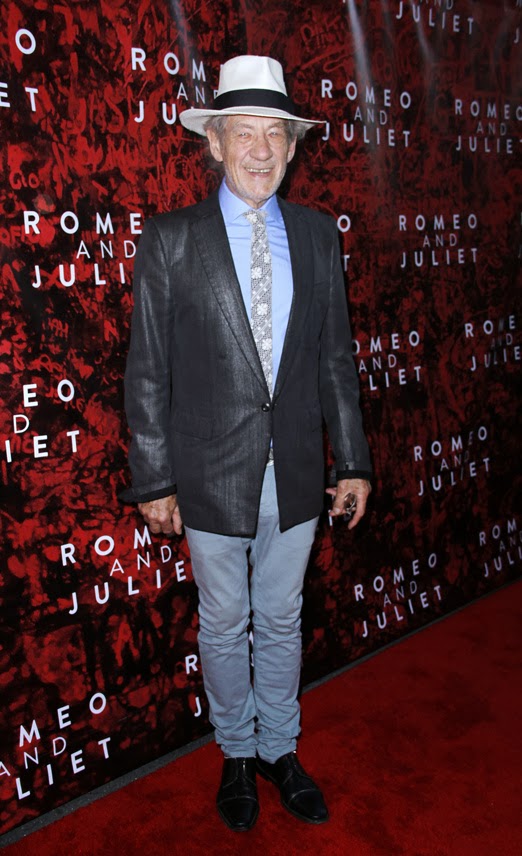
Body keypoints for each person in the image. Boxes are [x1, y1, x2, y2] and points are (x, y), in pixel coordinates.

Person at [121, 55, 372, 832]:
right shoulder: (171, 239)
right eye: (244, 133)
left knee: (284, 618)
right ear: (216, 143)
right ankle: (236, 751)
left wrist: (353, 461)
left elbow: (335, 359)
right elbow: (147, 369)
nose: (260, 150)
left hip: (294, 466)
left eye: (275, 135)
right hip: (207, 473)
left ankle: (278, 748)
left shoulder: (318, 235)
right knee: (226, 623)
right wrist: (154, 480)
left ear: (292, 148)